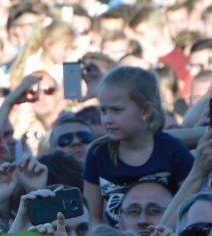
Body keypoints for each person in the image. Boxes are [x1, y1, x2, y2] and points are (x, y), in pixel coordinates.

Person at [83, 66, 194, 225]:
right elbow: (92, 218)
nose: (107, 119)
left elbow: (189, 208)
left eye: (116, 110)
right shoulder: (98, 153)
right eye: (103, 110)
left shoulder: (172, 150)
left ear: (145, 111)